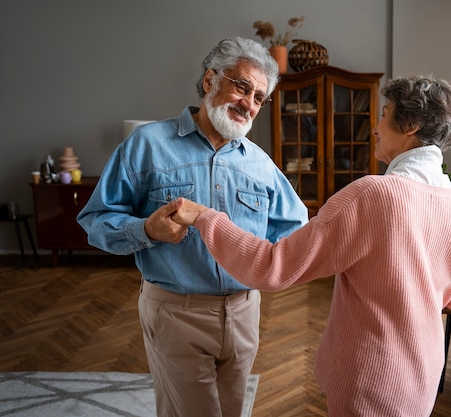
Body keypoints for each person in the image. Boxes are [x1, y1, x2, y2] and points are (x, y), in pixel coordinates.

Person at [167, 75, 451, 416]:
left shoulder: (372, 195)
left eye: (385, 112)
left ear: (410, 125)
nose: (376, 127)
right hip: (423, 374)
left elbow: (272, 268)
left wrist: (205, 217)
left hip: (370, 379)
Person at [77, 37, 309, 417]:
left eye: (259, 98)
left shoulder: (261, 164)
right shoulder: (147, 145)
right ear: (209, 81)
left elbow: (296, 231)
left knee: (232, 411)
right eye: (242, 86)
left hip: (244, 312)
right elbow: (96, 221)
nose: (249, 103)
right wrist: (146, 230)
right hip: (176, 313)